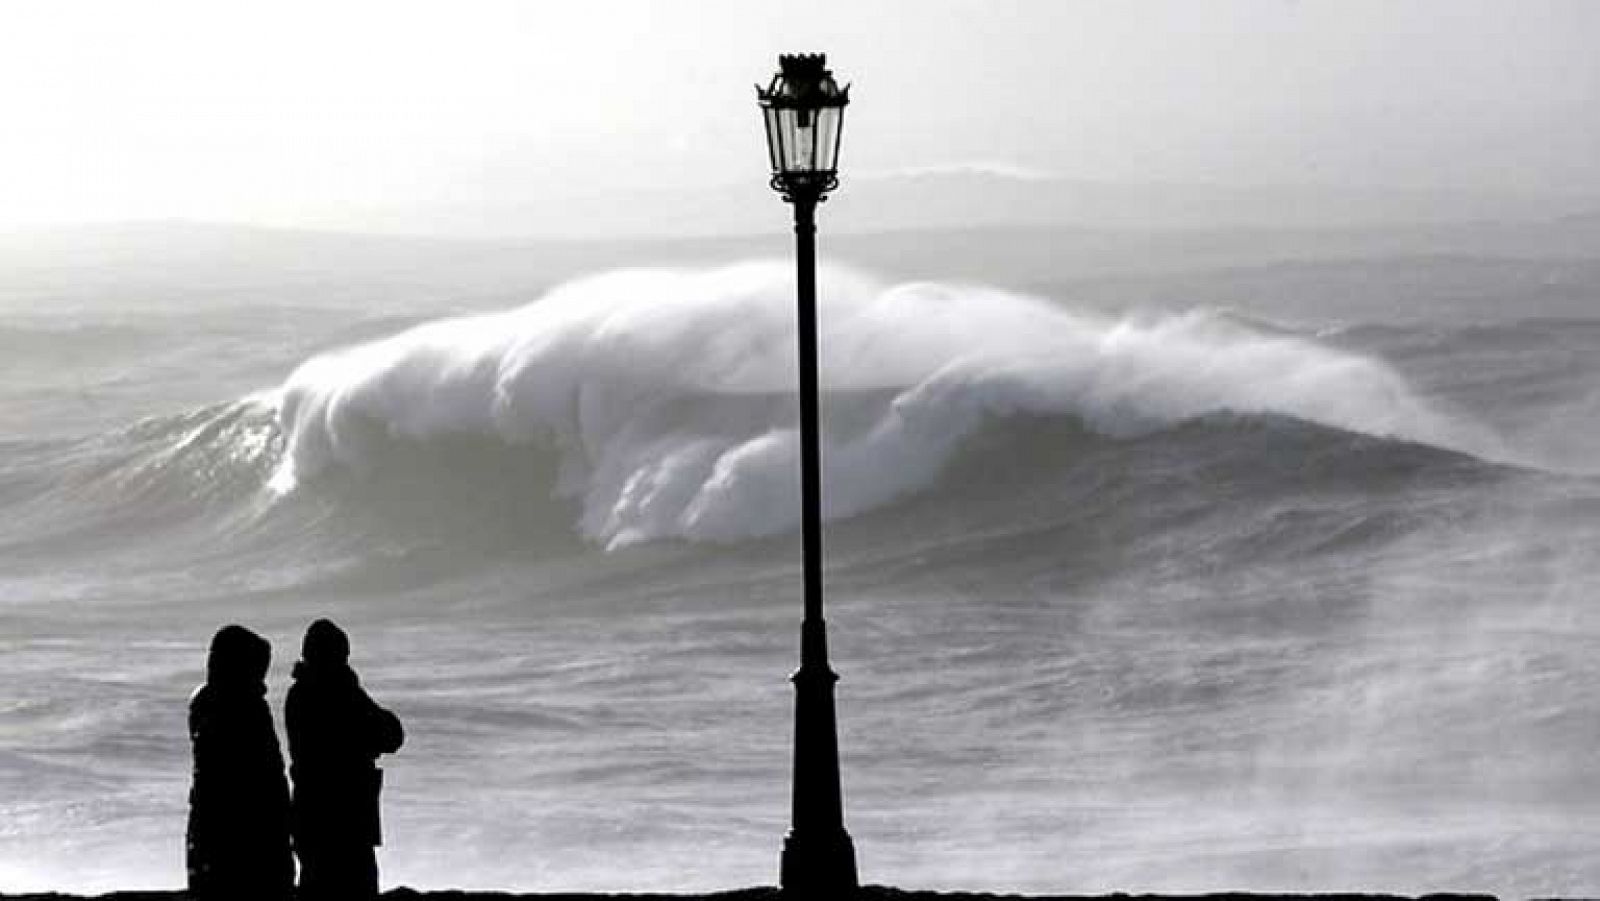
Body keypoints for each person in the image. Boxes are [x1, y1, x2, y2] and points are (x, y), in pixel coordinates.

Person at [286, 618, 404, 901]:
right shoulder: (340, 693)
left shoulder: (306, 693)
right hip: (344, 818)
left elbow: (389, 734)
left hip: (318, 816)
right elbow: (390, 734)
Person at [186, 624, 294, 900]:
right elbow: (260, 775)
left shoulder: (211, 703)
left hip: (219, 832)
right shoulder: (242, 707)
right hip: (248, 835)